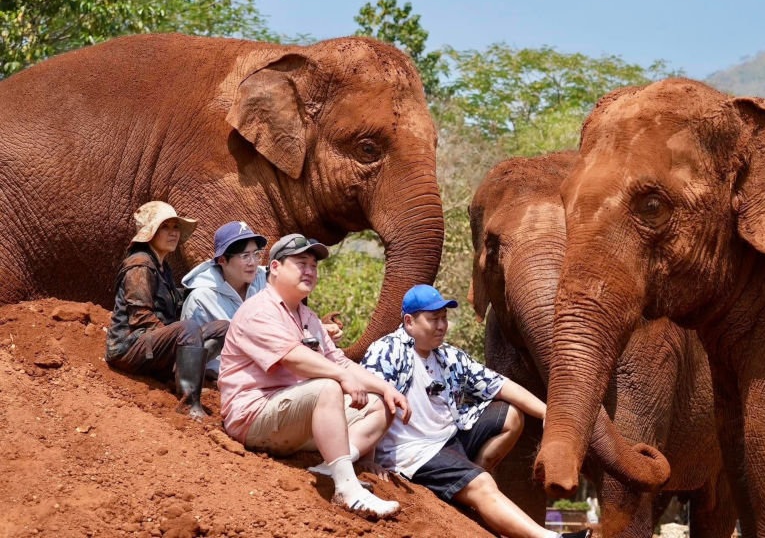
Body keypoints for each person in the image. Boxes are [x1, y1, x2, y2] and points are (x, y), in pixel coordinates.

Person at [362, 285, 591, 538]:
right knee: (482, 484)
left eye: (444, 318)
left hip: (449, 438)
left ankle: (472, 474)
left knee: (510, 414)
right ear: (409, 321)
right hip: (412, 453)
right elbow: (372, 400)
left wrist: (549, 414)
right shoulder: (388, 350)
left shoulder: (447, 356)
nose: (441, 326)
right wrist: (368, 459)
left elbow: (499, 384)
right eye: (433, 319)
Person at [218, 234, 410, 520]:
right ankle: (347, 489)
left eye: (314, 265)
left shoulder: (307, 316)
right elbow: (293, 357)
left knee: (381, 404)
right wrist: (338, 377)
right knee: (328, 387)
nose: (309, 270)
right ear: (274, 268)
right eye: (301, 263)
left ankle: (328, 465)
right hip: (254, 417)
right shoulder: (258, 310)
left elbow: (340, 361)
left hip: (294, 415)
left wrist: (386, 388)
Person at [105, 201, 229, 420]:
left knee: (224, 328)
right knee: (188, 328)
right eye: (166, 227)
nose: (173, 233)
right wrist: (174, 338)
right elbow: (139, 316)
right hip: (129, 346)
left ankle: (177, 373)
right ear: (150, 232)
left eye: (175, 227)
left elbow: (172, 303)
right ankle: (188, 404)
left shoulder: (163, 266)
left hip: (151, 344)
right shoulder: (140, 264)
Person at [181, 221, 344, 380]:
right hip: (234, 383)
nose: (252, 262)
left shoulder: (265, 280)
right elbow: (194, 357)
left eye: (256, 254)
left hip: (277, 372)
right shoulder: (201, 299)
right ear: (222, 260)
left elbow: (285, 325)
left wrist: (319, 332)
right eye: (245, 256)